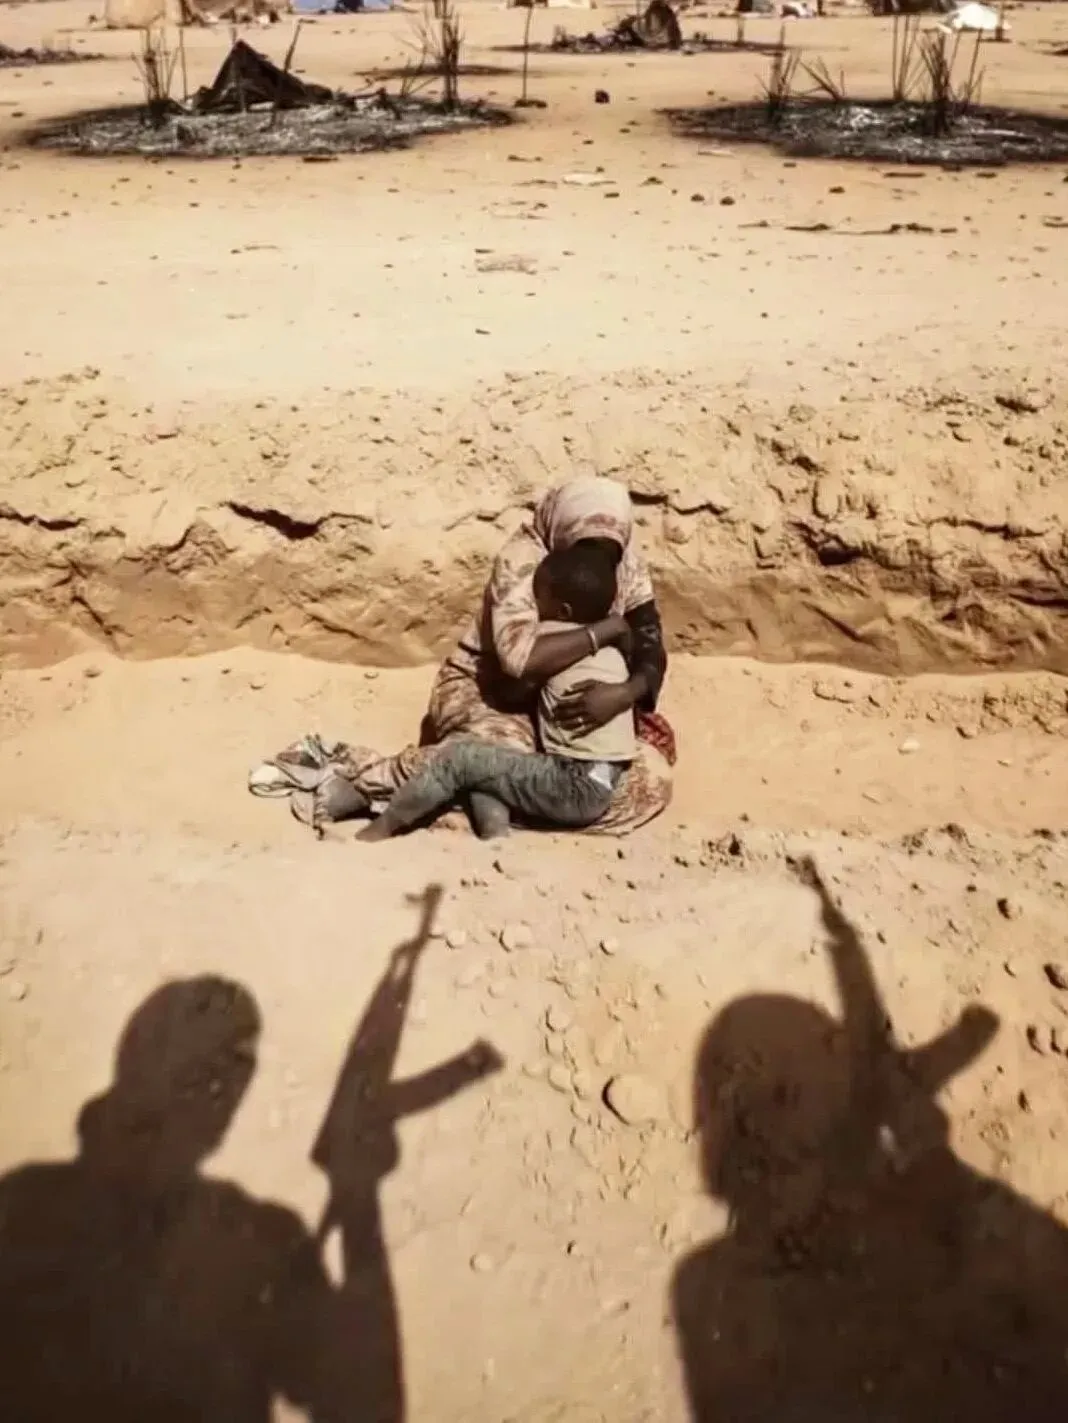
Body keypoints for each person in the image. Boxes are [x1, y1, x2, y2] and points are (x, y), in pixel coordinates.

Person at [251, 476, 676, 838]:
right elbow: (520, 661)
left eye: (609, 546)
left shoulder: (623, 562)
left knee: (648, 782)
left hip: (565, 713)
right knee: (492, 752)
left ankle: (472, 803)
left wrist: (626, 693)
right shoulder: (524, 561)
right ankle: (361, 779)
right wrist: (605, 631)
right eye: (587, 543)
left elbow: (649, 642)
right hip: (493, 695)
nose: (600, 554)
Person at [357, 544, 635, 842]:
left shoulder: (552, 639)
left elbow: (513, 689)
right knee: (492, 766)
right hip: (606, 781)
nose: (533, 605)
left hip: (572, 784)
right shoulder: (612, 647)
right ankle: (495, 835)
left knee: (460, 759)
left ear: (563, 611)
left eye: (538, 597)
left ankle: (382, 826)